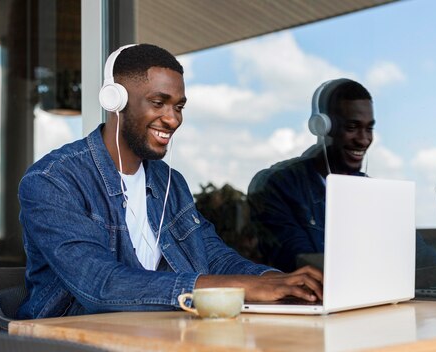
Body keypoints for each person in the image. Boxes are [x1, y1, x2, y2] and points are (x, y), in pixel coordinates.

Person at [16, 44, 322, 319]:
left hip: (150, 335)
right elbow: (101, 284)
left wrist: (275, 282)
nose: (173, 119)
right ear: (115, 101)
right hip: (66, 340)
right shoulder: (52, 181)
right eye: (158, 102)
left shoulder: (169, 183)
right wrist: (238, 287)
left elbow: (213, 256)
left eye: (178, 106)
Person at [247, 78, 436, 273]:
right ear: (322, 127)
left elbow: (424, 259)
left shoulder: (377, 195)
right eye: (352, 127)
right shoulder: (279, 185)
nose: (363, 140)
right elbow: (305, 267)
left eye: (369, 128)